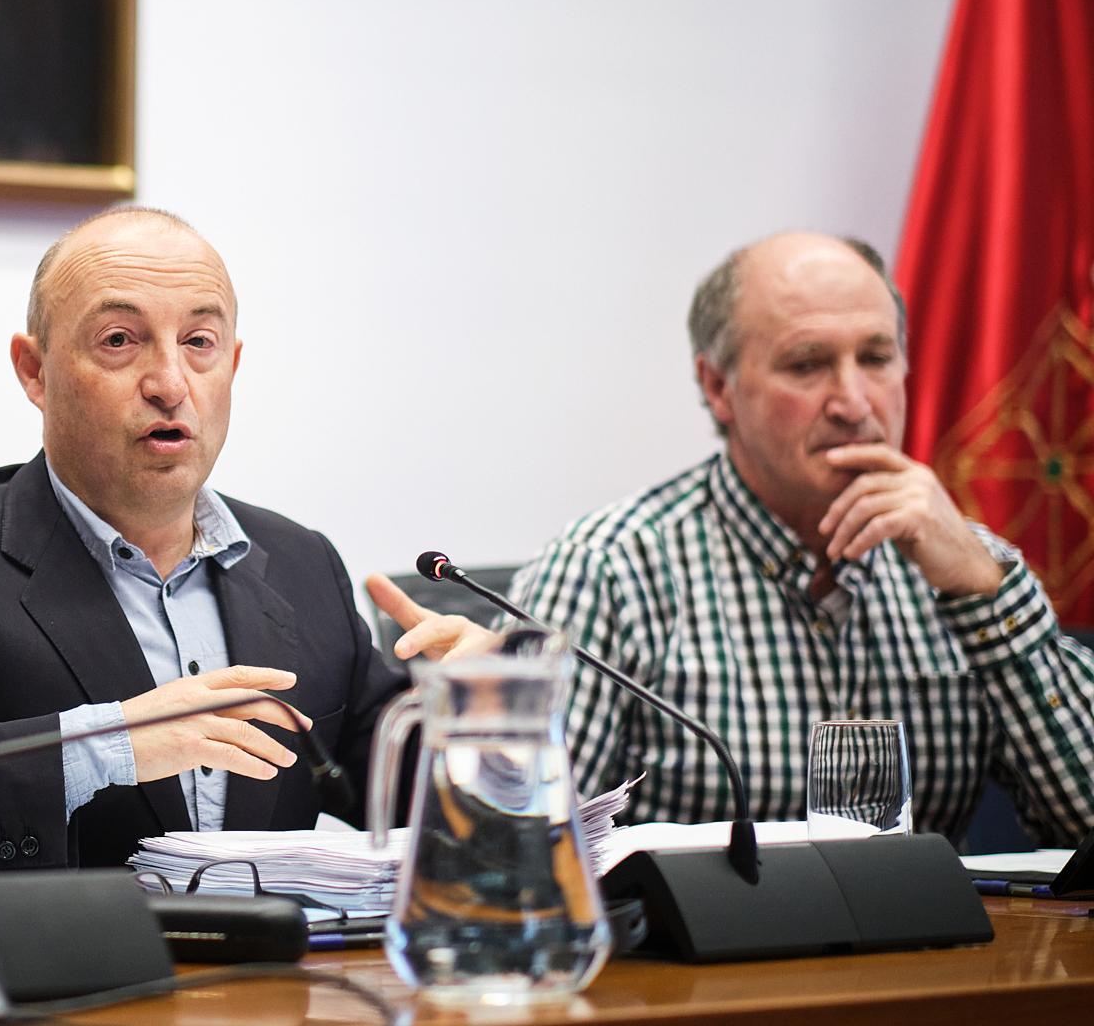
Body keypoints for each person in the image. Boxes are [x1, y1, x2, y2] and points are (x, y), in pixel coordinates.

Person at [371, 232, 1094, 845]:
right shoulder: (611, 569)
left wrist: (983, 595)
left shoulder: (960, 567)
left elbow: (1082, 819)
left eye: (876, 358)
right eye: (807, 364)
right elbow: (521, 851)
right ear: (718, 387)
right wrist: (493, 727)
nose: (853, 402)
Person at [0, 207, 408, 869]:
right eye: (120, 340)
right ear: (35, 372)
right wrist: (105, 747)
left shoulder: (300, 564)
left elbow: (410, 797)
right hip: (59, 969)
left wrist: (500, 714)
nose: (171, 384)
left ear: (232, 364)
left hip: (281, 971)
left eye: (199, 343)